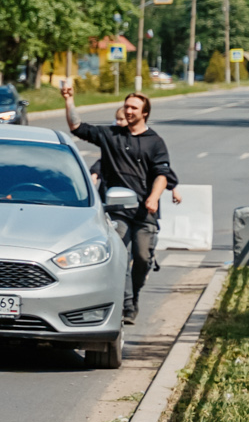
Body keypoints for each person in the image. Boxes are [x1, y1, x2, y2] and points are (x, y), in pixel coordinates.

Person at [59, 80, 176, 324]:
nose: (129, 111)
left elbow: (163, 175)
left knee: (143, 258)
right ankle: (127, 305)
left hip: (145, 210)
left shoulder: (155, 142)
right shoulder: (110, 135)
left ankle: (134, 294)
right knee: (120, 255)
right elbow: (76, 126)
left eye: (134, 108)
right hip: (116, 210)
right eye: (127, 106)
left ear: (145, 113)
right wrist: (69, 100)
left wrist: (153, 198)